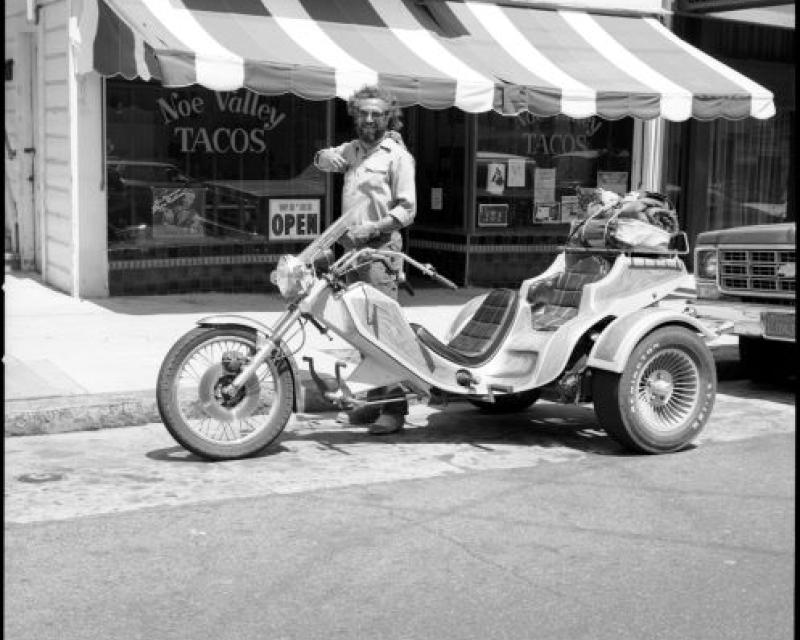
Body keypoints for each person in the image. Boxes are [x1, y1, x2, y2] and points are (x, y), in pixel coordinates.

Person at [314, 84, 416, 435]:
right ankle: (370, 405)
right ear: (355, 115)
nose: (369, 119)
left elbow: (407, 209)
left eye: (377, 113)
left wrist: (372, 228)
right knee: (359, 330)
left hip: (380, 251)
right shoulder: (353, 150)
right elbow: (325, 157)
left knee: (383, 332)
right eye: (363, 113)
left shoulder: (397, 156)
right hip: (350, 252)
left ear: (388, 117)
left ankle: (395, 410)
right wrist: (324, 158)